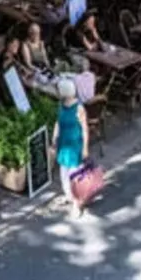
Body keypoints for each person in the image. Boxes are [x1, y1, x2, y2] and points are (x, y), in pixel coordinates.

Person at [54, 78, 90, 218]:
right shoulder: (61, 105)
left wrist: (85, 148)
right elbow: (57, 122)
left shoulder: (79, 108)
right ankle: (68, 195)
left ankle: (76, 204)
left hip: (75, 145)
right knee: (63, 173)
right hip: (64, 144)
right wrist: (54, 138)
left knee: (75, 176)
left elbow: (85, 129)